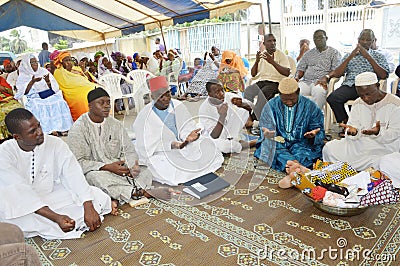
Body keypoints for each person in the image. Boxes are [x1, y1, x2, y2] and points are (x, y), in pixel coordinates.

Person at [0, 108, 116, 239]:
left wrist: (88, 206)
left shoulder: (55, 143)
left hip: (50, 195)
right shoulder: (4, 153)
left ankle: (74, 219)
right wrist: (56, 217)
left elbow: (73, 174)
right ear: (17, 137)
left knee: (95, 195)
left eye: (39, 126)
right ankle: (64, 222)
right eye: (32, 131)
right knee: (14, 220)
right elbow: (20, 192)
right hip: (21, 204)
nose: (40, 132)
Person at [67, 88, 163, 202]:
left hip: (121, 170)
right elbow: (78, 162)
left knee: (145, 171)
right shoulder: (78, 129)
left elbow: (129, 150)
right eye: (101, 103)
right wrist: (106, 167)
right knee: (93, 178)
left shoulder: (116, 124)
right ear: (90, 106)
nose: (107, 106)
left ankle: (123, 193)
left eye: (108, 102)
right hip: (98, 171)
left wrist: (132, 166)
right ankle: (136, 191)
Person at [133, 76, 224, 186]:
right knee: (166, 166)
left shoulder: (177, 105)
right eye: (161, 96)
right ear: (152, 96)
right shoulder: (144, 116)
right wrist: (171, 145)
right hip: (161, 152)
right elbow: (146, 145)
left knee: (208, 145)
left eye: (168, 94)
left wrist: (189, 137)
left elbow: (187, 127)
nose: (166, 98)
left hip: (184, 145)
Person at [323, 72, 400, 171]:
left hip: (383, 147)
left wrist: (378, 133)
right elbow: (352, 127)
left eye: (368, 94)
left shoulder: (395, 104)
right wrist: (353, 133)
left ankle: (356, 171)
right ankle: (343, 173)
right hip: (360, 145)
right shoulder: (357, 103)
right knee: (330, 148)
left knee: (383, 162)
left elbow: (396, 134)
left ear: (377, 86)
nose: (366, 99)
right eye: (361, 95)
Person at [319, 29, 390, 126]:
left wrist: (368, 57)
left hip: (369, 86)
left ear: (373, 41)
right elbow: (338, 74)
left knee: (367, 101)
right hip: (351, 85)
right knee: (333, 98)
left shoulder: (378, 56)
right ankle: (347, 124)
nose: (365, 42)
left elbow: (383, 75)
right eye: (362, 39)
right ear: (358, 40)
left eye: (368, 40)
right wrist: (350, 57)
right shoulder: (349, 55)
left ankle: (367, 126)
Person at [254, 77, 325, 172]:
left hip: (301, 143)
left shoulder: (310, 106)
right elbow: (265, 126)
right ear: (279, 95)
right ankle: (297, 166)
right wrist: (267, 133)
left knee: (304, 154)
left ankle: (291, 166)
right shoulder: (271, 105)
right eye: (285, 100)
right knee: (269, 146)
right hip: (278, 142)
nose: (289, 102)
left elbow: (318, 129)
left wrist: (314, 135)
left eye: (292, 99)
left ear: (298, 92)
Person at [15, 54, 73, 135]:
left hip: (47, 95)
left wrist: (48, 82)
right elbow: (24, 93)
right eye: (32, 62)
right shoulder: (23, 75)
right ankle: (49, 130)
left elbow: (54, 88)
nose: (35, 64)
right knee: (36, 105)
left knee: (59, 101)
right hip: (34, 97)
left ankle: (61, 127)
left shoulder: (43, 71)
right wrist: (32, 82)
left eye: (36, 62)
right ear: (27, 64)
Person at [199, 79, 254, 153]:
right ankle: (248, 144)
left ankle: (233, 139)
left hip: (230, 128)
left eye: (222, 90)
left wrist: (242, 105)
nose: (222, 94)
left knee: (242, 110)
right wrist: (222, 116)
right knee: (222, 147)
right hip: (215, 132)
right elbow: (214, 135)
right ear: (210, 94)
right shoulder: (204, 109)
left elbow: (252, 107)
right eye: (217, 92)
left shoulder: (230, 96)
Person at [244, 34, 291, 120]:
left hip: (277, 83)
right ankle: (247, 116)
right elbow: (253, 74)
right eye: (269, 41)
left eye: (274, 41)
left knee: (264, 92)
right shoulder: (262, 55)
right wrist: (257, 61)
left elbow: (287, 73)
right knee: (248, 91)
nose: (273, 43)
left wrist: (272, 62)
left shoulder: (281, 55)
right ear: (264, 44)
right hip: (263, 81)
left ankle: (254, 118)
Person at [295, 30, 341, 110]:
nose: (318, 39)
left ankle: (315, 118)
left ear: (326, 38)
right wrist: (296, 78)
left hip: (321, 82)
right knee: (295, 91)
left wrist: (326, 77)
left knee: (318, 91)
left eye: (320, 37)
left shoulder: (334, 53)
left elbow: (336, 70)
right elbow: (300, 68)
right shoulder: (308, 54)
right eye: (315, 38)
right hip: (306, 82)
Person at [53, 51, 97, 121]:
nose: (69, 62)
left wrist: (83, 69)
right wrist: (68, 70)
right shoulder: (58, 72)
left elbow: (88, 79)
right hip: (72, 92)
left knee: (99, 90)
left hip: (86, 86)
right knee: (84, 97)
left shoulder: (76, 68)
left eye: (70, 60)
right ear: (61, 62)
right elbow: (65, 85)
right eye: (66, 60)